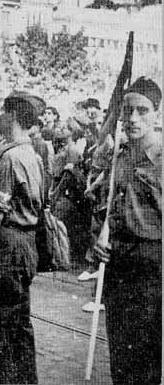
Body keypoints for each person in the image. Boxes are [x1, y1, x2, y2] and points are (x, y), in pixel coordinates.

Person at [0, 92, 46, 384]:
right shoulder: (31, 155)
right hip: (24, 245)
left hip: (9, 244)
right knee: (17, 325)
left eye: (3, 112)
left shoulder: (12, 157)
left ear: (13, 117)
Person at [98, 77, 161, 384]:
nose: (133, 118)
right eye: (128, 110)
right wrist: (103, 235)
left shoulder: (161, 161)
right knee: (120, 348)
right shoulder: (120, 156)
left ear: (157, 115)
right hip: (119, 260)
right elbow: (112, 206)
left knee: (146, 352)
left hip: (151, 262)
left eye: (142, 110)